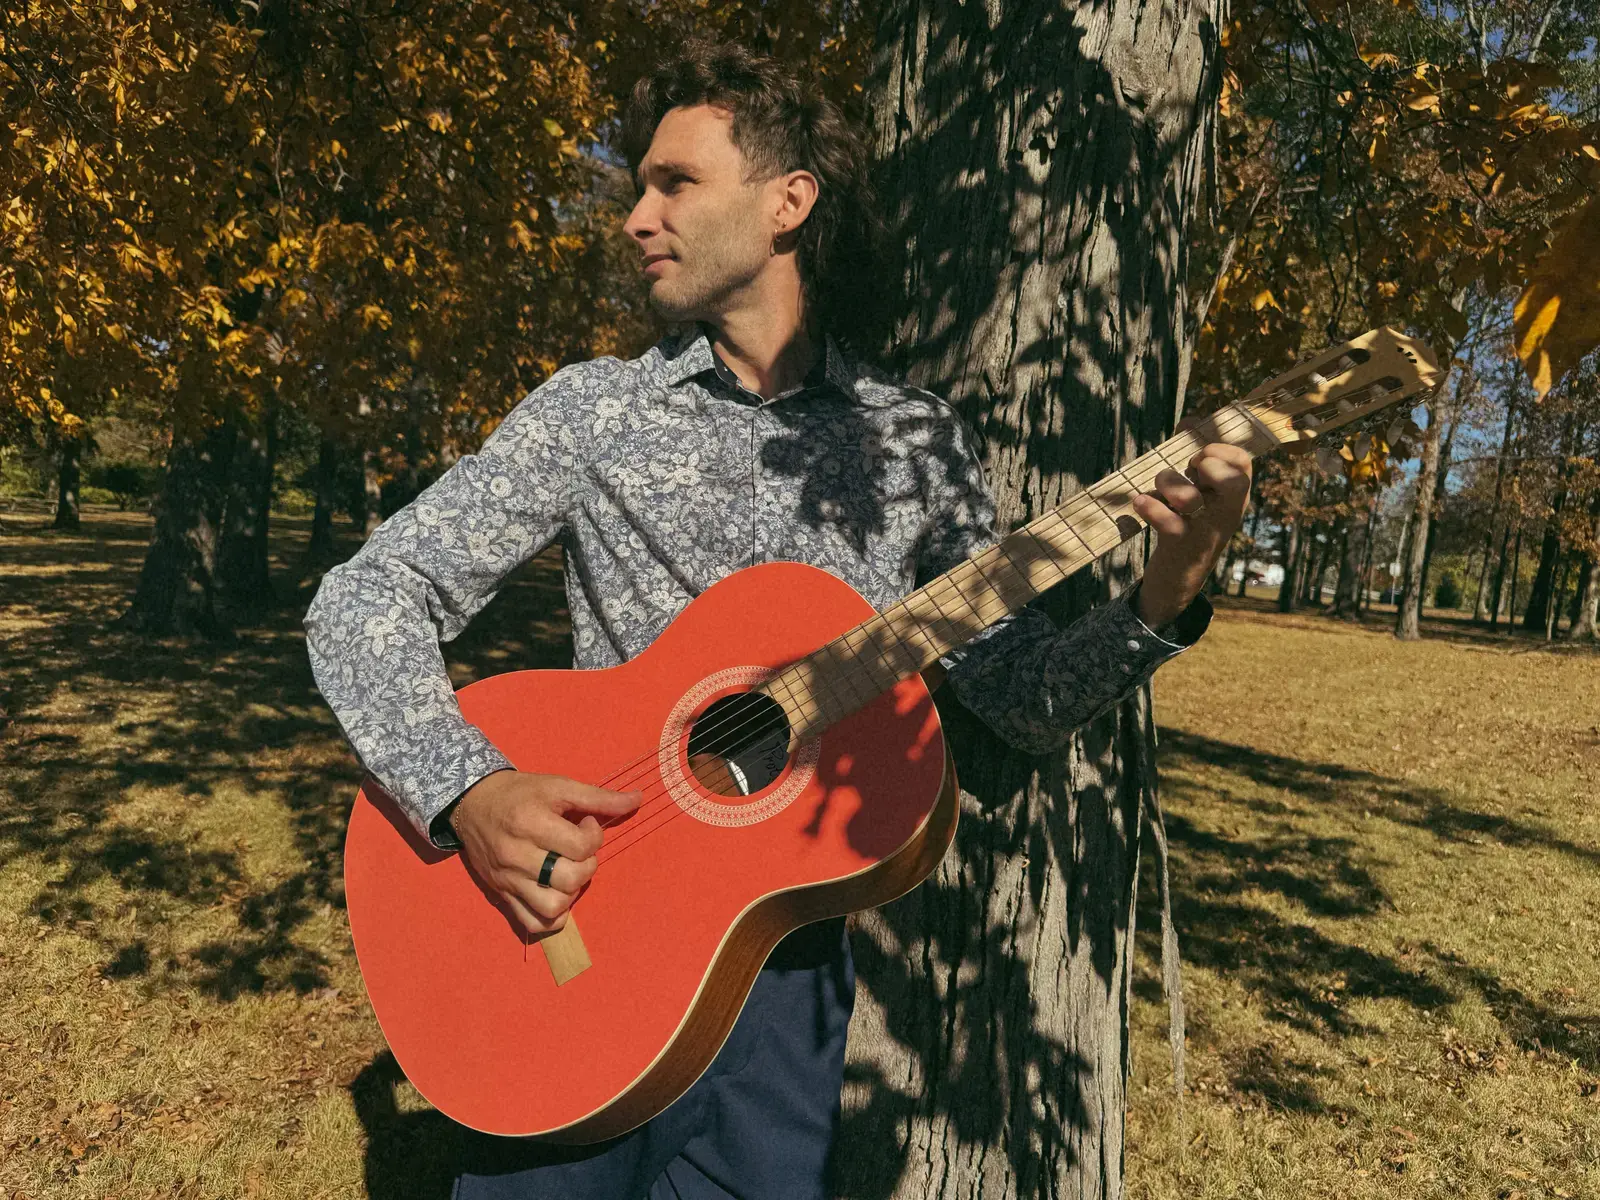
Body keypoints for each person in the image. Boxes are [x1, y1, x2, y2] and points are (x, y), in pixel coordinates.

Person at [304, 39, 1251, 1200]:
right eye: (638, 186)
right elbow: (365, 596)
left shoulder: (913, 446)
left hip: (788, 981)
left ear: (787, 202)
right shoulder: (591, 414)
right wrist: (466, 787)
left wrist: (1169, 591)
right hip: (574, 935)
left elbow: (1020, 703)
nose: (635, 216)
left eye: (673, 183)